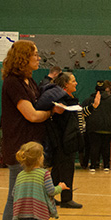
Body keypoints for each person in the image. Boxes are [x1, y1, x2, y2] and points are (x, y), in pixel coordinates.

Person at [0, 40, 64, 220]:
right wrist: (50, 113)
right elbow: (32, 115)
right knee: (15, 197)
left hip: (32, 146)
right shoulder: (13, 83)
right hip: (20, 149)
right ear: (23, 57)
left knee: (23, 198)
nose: (38, 57)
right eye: (35, 54)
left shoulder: (29, 81)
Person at [38, 72, 100, 209]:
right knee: (66, 169)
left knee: (58, 170)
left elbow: (79, 114)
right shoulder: (61, 100)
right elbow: (63, 119)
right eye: (73, 81)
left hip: (68, 138)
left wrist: (93, 107)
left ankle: (50, 196)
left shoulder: (70, 99)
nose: (76, 83)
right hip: (64, 140)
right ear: (66, 84)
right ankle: (66, 199)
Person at [82, 80, 111, 173]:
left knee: (94, 146)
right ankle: (106, 165)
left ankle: (93, 165)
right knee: (106, 146)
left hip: (93, 127)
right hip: (108, 127)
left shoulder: (90, 100)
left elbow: (83, 113)